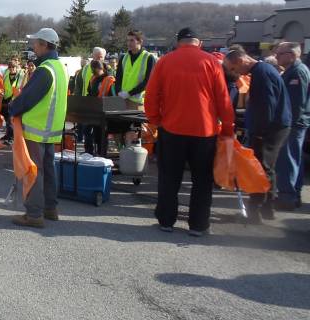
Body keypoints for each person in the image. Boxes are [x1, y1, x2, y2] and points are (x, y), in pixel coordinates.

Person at [145, 28, 235, 236]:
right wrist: (228, 128)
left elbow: (151, 95)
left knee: (169, 177)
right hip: (204, 131)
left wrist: (156, 120)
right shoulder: (212, 62)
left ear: (178, 43)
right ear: (199, 43)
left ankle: (166, 221)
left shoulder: (165, 61)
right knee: (202, 180)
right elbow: (223, 99)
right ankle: (198, 224)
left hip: (172, 128)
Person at [223, 48, 291, 223]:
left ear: (240, 61)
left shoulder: (261, 74)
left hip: (269, 130)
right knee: (267, 167)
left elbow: (266, 106)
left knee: (260, 168)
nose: (234, 73)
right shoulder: (263, 71)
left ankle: (257, 210)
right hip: (275, 127)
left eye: (232, 69)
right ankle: (267, 209)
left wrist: (260, 132)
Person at [9, 28, 68, 228]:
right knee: (49, 170)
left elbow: (27, 98)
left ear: (44, 44)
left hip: (36, 129)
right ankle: (50, 209)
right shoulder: (59, 68)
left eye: (35, 43)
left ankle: (34, 215)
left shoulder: (45, 70)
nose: (33, 46)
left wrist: (12, 108)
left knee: (34, 171)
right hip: (51, 131)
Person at [274, 42, 310, 210]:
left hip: (293, 124)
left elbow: (297, 103)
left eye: (280, 54)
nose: (277, 56)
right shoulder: (293, 71)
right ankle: (292, 194)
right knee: (294, 158)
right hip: (295, 123)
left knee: (288, 159)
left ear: (292, 55)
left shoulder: (297, 72)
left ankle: (287, 197)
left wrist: (287, 124)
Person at [116, 30, 156, 110]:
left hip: (138, 101)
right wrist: (119, 92)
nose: (128, 43)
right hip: (123, 99)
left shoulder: (149, 58)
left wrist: (129, 93)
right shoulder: (124, 57)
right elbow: (118, 77)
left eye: (132, 40)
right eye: (127, 40)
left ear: (140, 41)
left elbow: (148, 82)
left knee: (137, 122)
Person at [84, 60, 116, 156]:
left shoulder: (109, 79)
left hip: (104, 111)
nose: (93, 71)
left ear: (101, 68)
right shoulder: (93, 78)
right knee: (87, 131)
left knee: (101, 135)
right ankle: (89, 153)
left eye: (95, 69)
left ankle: (102, 154)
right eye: (92, 69)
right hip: (93, 109)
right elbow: (89, 92)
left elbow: (112, 96)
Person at [0, 57, 22, 143]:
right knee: (6, 118)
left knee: (10, 119)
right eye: (10, 67)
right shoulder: (6, 73)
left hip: (14, 99)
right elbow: (3, 85)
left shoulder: (21, 75)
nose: (12, 69)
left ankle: (11, 138)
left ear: (16, 67)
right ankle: (8, 134)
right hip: (6, 98)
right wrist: (2, 92)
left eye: (13, 67)